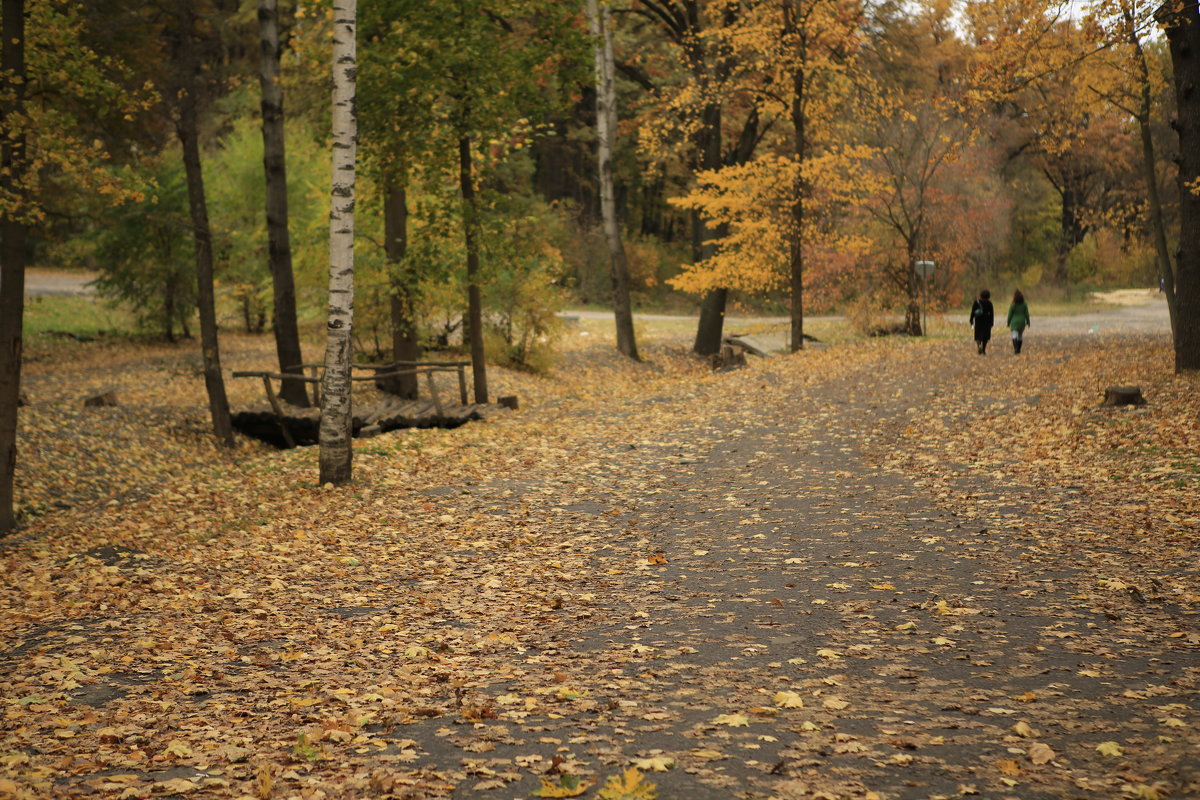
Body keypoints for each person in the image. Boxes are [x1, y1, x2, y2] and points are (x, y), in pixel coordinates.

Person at [969, 289, 994, 354]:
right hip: (987, 321)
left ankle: (979, 345)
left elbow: (973, 312)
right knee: (985, 336)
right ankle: (983, 349)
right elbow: (992, 314)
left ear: (981, 295)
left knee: (978, 334)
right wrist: (991, 323)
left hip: (978, 320)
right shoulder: (989, 303)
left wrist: (971, 320)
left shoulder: (976, 302)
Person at [1007, 289, 1031, 354]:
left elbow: (1010, 315)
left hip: (1014, 322)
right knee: (1020, 335)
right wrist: (1028, 322)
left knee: (1014, 335)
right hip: (1022, 322)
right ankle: (1019, 349)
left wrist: (1008, 323)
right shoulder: (1024, 305)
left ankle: (1016, 349)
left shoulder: (1013, 305)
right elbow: (1027, 314)